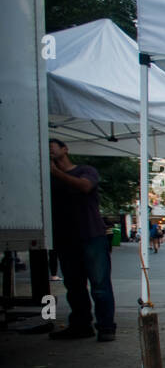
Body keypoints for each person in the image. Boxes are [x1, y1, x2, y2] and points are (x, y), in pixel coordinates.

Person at [47, 139, 116, 342]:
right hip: (66, 238)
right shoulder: (47, 178)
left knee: (100, 284)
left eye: (53, 145)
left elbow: (85, 187)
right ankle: (80, 324)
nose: (49, 148)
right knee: (74, 286)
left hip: (91, 235)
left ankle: (106, 327)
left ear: (65, 149)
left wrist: (56, 172)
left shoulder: (85, 171)